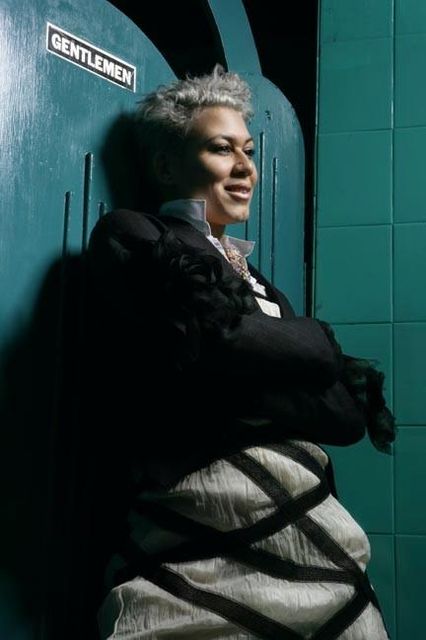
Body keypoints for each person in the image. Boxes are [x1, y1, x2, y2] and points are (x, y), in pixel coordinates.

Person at [86, 64, 395, 639]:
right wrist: (312, 345)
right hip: (200, 535)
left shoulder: (262, 286)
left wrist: (252, 371)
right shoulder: (133, 234)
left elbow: (344, 415)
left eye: (248, 151)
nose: (245, 167)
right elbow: (218, 346)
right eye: (221, 149)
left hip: (319, 534)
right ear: (166, 166)